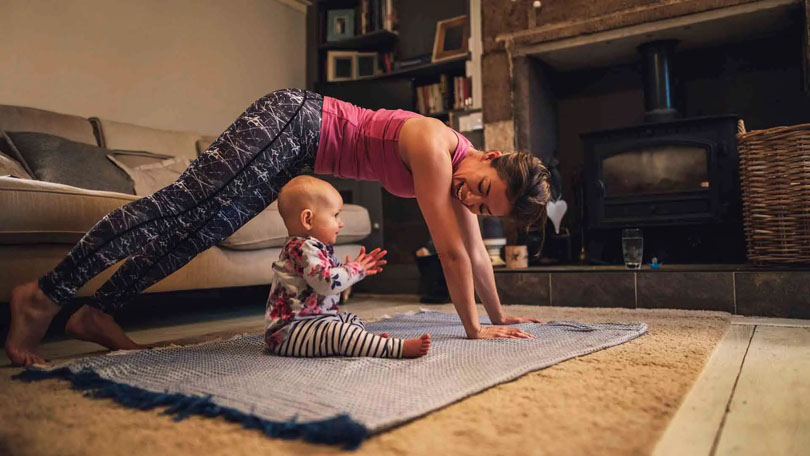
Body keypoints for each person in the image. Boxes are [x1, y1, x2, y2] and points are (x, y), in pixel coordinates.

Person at [5, 88, 551, 367]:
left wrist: (498, 316)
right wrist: (472, 329)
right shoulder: (435, 145)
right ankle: (45, 295)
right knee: (181, 206)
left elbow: (475, 253)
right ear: (489, 156)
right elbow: (451, 253)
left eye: (484, 207)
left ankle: (99, 312)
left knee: (202, 230)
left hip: (298, 155)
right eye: (481, 188)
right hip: (294, 120)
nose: (470, 200)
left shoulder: (462, 175)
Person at [265, 175, 429, 359]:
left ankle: (365, 343)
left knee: (350, 320)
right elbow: (326, 283)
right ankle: (393, 348)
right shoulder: (303, 248)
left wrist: (348, 272)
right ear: (308, 219)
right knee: (339, 332)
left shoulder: (313, 248)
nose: (341, 223)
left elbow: (323, 285)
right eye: (335, 215)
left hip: (314, 323)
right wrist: (355, 269)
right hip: (290, 333)